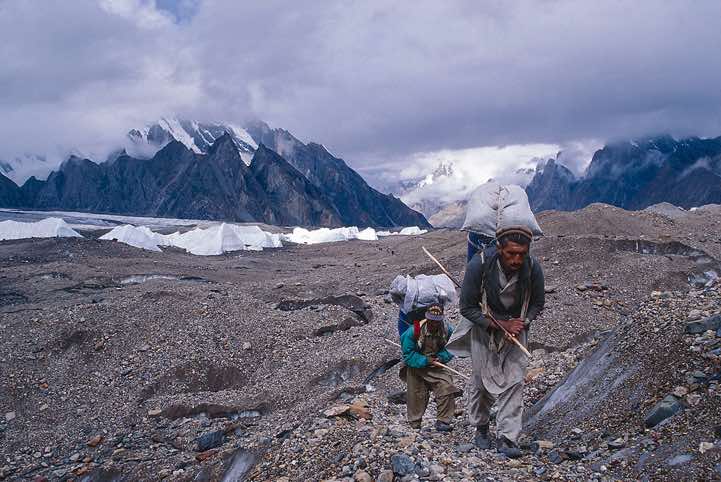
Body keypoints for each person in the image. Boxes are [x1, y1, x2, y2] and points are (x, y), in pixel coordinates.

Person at [459, 226, 545, 457]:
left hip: (516, 331)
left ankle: (507, 437)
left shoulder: (533, 268)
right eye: (511, 254)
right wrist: (498, 325)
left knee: (515, 380)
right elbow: (466, 307)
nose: (517, 259)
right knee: (481, 380)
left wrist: (523, 322)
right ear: (499, 249)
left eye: (522, 254)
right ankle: (481, 426)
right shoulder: (478, 265)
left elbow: (538, 302)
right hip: (483, 328)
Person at [400, 304, 462, 431]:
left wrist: (442, 357)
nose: (434, 324)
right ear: (427, 319)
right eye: (431, 321)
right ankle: (415, 423)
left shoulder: (448, 330)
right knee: (416, 395)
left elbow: (452, 348)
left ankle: (443, 421)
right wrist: (424, 360)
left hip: (436, 365)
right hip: (416, 366)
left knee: (446, 386)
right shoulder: (414, 330)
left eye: (437, 322)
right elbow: (408, 355)